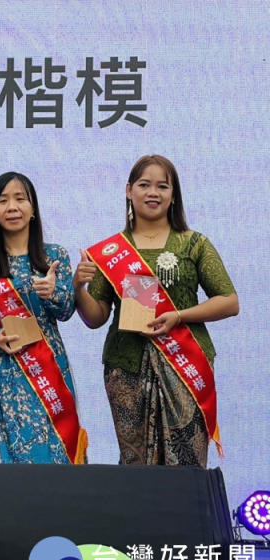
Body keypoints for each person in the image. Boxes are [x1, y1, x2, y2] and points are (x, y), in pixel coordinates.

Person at [74, 154, 238, 467]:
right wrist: (78, 287)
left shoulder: (194, 243)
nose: (153, 192)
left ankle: (187, 517)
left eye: (162, 186)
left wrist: (179, 316)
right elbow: (95, 318)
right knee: (135, 464)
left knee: (187, 460)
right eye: (144, 185)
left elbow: (229, 301)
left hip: (185, 362)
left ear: (173, 194)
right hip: (127, 366)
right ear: (128, 191)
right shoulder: (109, 250)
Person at [0, 172, 86, 465]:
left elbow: (66, 311)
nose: (12, 207)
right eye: (3, 201)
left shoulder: (53, 256)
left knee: (57, 447)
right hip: (7, 366)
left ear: (33, 210)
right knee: (15, 449)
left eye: (20, 199)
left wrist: (52, 293)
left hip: (51, 364)